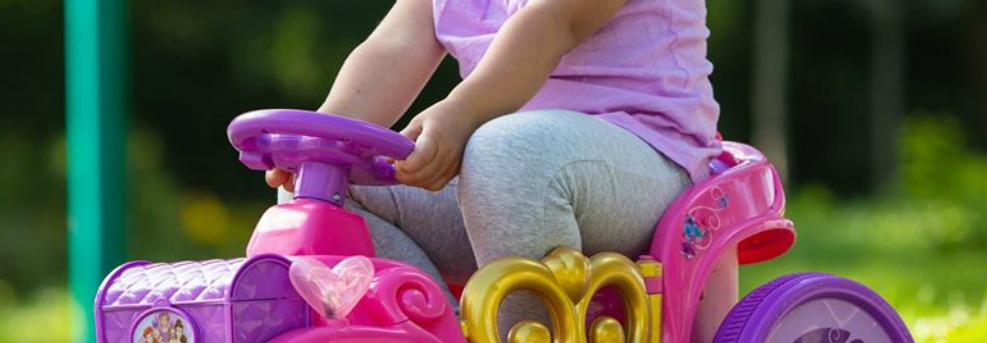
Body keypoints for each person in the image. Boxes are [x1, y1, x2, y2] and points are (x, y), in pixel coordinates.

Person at [267, 0, 721, 303]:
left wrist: (462, 111)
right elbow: (393, 47)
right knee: (320, 190)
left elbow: (551, 22)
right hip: (510, 173)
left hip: (645, 159)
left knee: (504, 150)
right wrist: (320, 140)